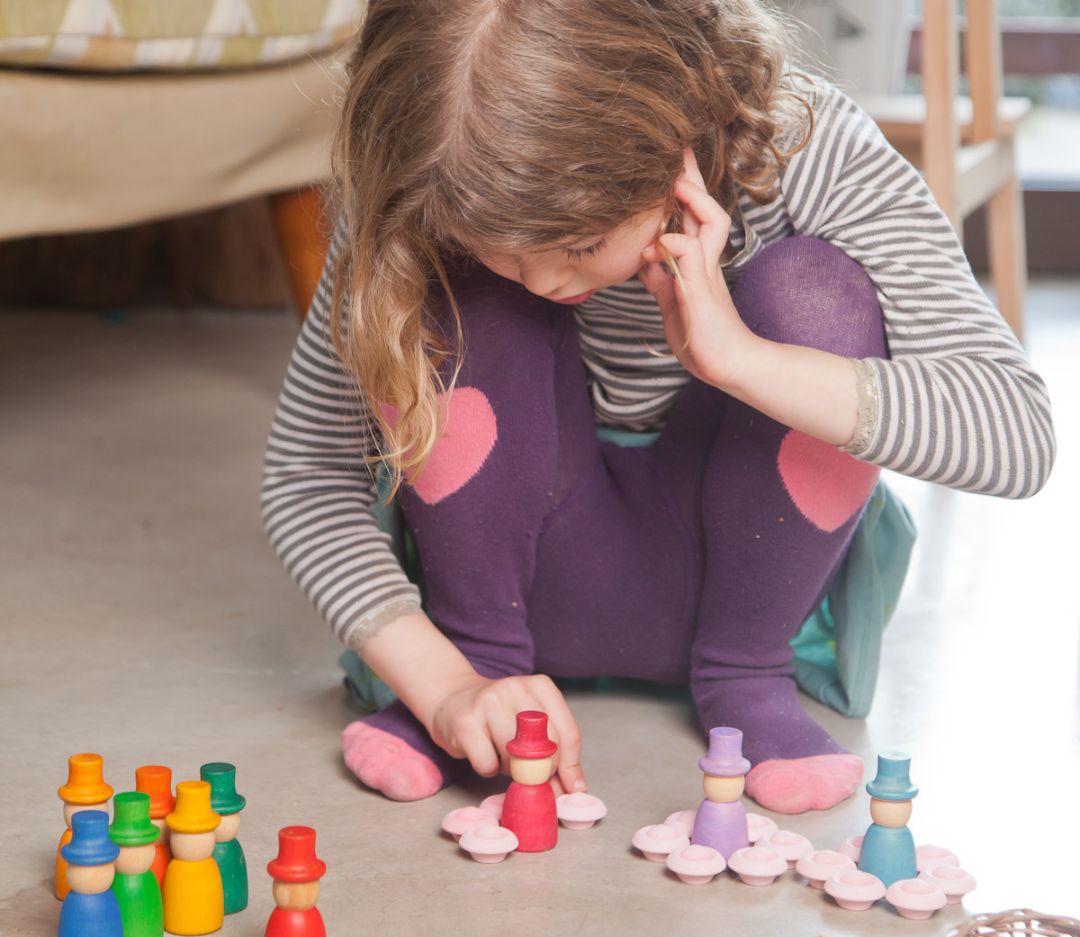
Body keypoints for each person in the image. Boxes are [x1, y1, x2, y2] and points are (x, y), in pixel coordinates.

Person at [262, 0, 1055, 814]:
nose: (542, 284)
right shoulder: (430, 164)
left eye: (574, 247)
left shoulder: (812, 149)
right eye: (494, 252)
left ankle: (747, 671)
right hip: (502, 592)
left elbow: (1018, 437)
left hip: (745, 573)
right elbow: (303, 478)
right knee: (450, 295)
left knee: (815, 296)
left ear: (678, 136)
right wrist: (446, 688)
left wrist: (742, 361)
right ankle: (481, 662)